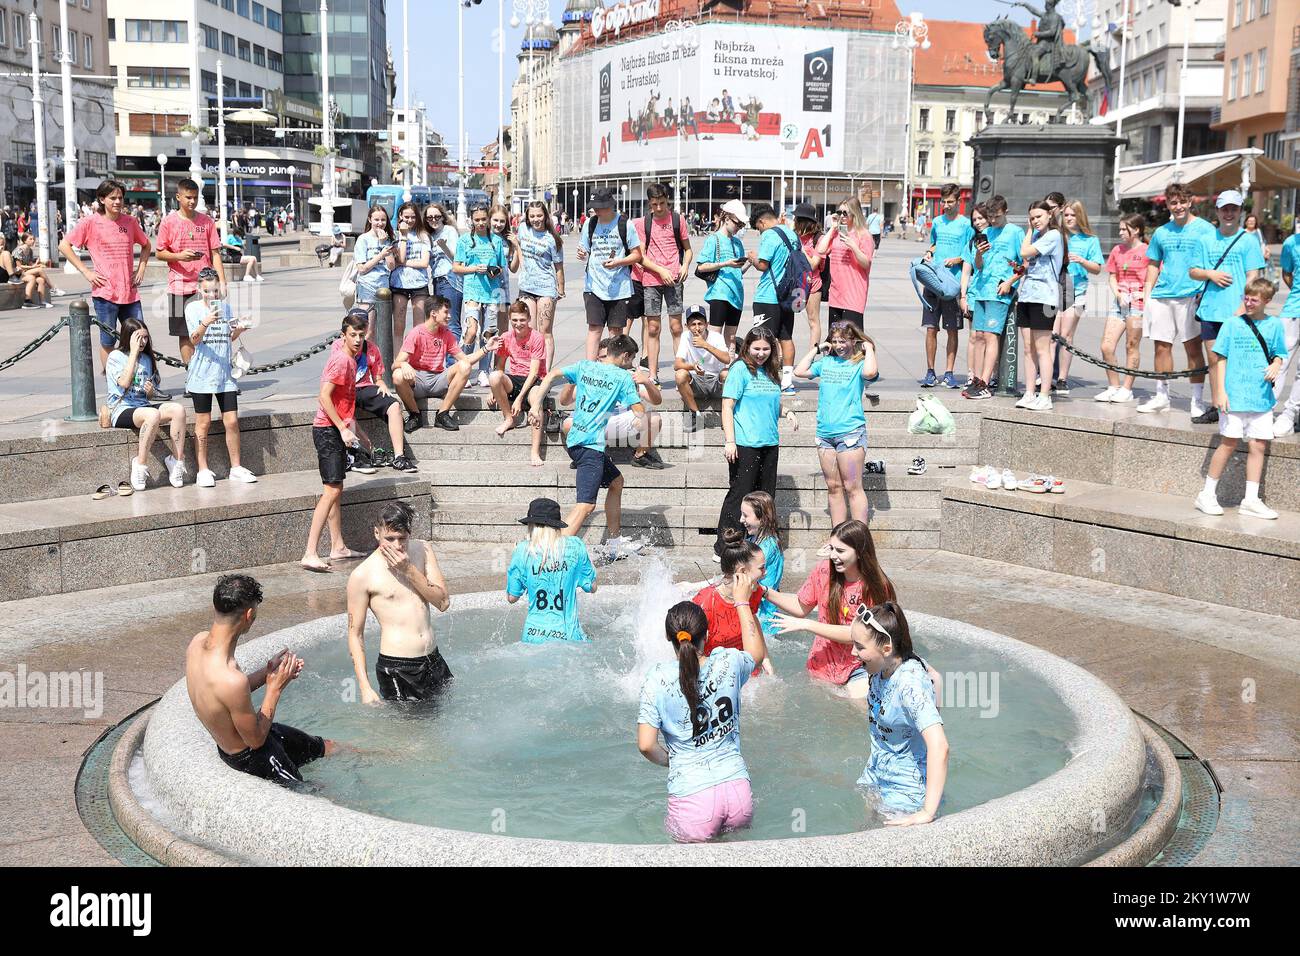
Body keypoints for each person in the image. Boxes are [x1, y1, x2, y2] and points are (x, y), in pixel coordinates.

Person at [637, 581, 766, 843]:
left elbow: (646, 745)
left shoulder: (657, 680)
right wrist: (743, 602)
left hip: (693, 799)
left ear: (668, 638)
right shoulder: (728, 662)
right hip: (738, 793)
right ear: (706, 635)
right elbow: (756, 653)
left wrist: (672, 761)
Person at [187, 574, 339, 784]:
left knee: (324, 746)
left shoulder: (197, 643)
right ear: (249, 615)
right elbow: (256, 740)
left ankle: (378, 754)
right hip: (252, 757)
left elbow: (222, 696)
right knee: (313, 795)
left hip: (249, 737)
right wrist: (275, 689)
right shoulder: (231, 679)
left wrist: (266, 674)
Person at [529, 334, 646, 556]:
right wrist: (640, 419)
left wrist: (535, 405)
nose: (630, 365)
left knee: (616, 482)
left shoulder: (585, 366)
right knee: (586, 505)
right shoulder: (622, 377)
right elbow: (639, 410)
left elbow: (552, 374)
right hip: (591, 446)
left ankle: (614, 544)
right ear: (625, 356)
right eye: (630, 360)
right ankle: (552, 553)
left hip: (575, 441)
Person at [765, 519, 899, 698]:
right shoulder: (823, 571)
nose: (834, 556)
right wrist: (764, 592)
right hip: (821, 666)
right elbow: (800, 605)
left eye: (841, 550)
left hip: (860, 666)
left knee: (859, 710)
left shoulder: (875, 586)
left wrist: (807, 625)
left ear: (860, 552)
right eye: (832, 549)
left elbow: (859, 634)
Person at [1194, 277, 1287, 521]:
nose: (1248, 303)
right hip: (1235, 395)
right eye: (1246, 298)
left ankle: (1251, 499)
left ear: (1266, 301)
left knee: (1258, 445)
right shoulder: (1232, 324)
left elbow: (1279, 353)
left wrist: (1276, 364)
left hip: (1260, 396)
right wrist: (1220, 392)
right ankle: (1207, 493)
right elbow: (1220, 358)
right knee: (1229, 442)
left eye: (1254, 300)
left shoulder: (1275, 325)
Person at [850, 601, 949, 824]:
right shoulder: (884, 665)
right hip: (877, 773)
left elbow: (940, 746)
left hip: (907, 791)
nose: (852, 652)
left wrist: (926, 813)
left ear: (886, 649)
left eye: (859, 647)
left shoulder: (909, 684)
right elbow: (936, 677)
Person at [345, 501, 452, 703]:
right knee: (412, 733)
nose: (397, 546)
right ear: (377, 533)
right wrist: (365, 687)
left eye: (402, 538)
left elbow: (443, 603)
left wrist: (409, 569)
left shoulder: (422, 550)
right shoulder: (362, 575)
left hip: (434, 658)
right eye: (390, 539)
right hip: (398, 668)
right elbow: (355, 634)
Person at [716, 326, 798, 555]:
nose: (761, 353)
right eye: (756, 349)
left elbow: (769, 402)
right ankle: (725, 545)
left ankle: (761, 543)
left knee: (765, 496)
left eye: (765, 349)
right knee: (740, 494)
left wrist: (787, 411)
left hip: (769, 442)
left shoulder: (771, 371)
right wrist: (729, 441)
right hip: (745, 443)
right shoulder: (740, 370)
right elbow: (727, 405)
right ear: (747, 348)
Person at [1138, 182, 1216, 414]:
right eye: (1174, 202)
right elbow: (1153, 263)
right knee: (1161, 348)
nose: (1179, 206)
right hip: (1162, 295)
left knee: (1193, 348)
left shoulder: (1205, 229)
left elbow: (1213, 259)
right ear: (1168, 205)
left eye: (1183, 201)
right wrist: (1147, 293)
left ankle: (1197, 400)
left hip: (1192, 294)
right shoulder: (1161, 232)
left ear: (1190, 201)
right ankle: (1162, 395)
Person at [1188, 189, 1265, 424]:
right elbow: (1193, 271)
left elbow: (1254, 275)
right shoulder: (1205, 239)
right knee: (1214, 360)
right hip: (1211, 309)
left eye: (1234, 208)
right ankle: (1217, 405)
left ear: (1240, 211)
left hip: (1239, 310)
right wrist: (1210, 274)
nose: (1229, 213)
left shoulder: (1249, 240)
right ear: (1218, 211)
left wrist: (1245, 305)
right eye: (1225, 209)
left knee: (1239, 360)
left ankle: (1240, 405)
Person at [301, 312, 369, 572]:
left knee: (336, 489)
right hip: (328, 430)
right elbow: (324, 397)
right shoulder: (342, 360)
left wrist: (358, 432)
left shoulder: (350, 359)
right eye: (353, 335)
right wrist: (341, 427)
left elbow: (344, 402)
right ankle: (310, 552)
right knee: (331, 490)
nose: (357, 340)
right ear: (343, 335)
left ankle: (338, 546)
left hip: (335, 429)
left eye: (361, 335)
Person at [59, 179, 152, 370]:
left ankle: (143, 381)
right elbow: (64, 246)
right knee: (108, 340)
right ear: (102, 199)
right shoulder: (90, 222)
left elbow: (146, 245)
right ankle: (114, 384)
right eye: (113, 198)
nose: (118, 202)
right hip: (105, 294)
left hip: (130, 293)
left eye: (120, 198)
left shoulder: (130, 222)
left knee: (140, 336)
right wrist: (86, 271)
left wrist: (141, 268)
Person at [794, 323, 879, 526]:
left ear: (853, 341)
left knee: (852, 486)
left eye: (843, 341)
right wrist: (817, 349)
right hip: (825, 435)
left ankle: (859, 539)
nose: (838, 345)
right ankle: (838, 536)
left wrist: (868, 349)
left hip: (850, 433)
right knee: (833, 486)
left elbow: (870, 373)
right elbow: (799, 371)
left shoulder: (858, 363)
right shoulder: (826, 363)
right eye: (835, 341)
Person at [185, 268, 256, 488]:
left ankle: (236, 467)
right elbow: (194, 340)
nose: (212, 295)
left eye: (215, 291)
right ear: (199, 289)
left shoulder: (225, 307)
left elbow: (228, 336)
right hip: (201, 374)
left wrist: (240, 329)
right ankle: (203, 469)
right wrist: (206, 321)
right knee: (203, 422)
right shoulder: (192, 309)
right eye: (207, 291)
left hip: (224, 374)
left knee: (232, 421)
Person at [106, 318, 188, 491]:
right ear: (128, 337)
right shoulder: (115, 357)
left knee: (178, 410)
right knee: (152, 415)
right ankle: (140, 464)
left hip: (142, 405)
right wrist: (134, 354)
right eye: (138, 338)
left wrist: (150, 391)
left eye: (145, 338)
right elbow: (124, 383)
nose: (143, 342)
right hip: (122, 409)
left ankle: (177, 461)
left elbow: (148, 394)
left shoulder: (147, 359)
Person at [393, 295, 495, 433]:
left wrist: (486, 348)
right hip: (417, 381)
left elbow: (464, 360)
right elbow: (396, 364)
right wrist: (404, 365)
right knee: (398, 375)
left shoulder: (446, 334)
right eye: (446, 312)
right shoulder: (416, 333)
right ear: (433, 313)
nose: (449, 316)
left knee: (465, 367)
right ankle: (415, 415)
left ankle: (442, 414)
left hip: (438, 379)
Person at [334, 307, 417, 472]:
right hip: (345, 389)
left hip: (364, 387)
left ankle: (399, 457)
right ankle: (356, 454)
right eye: (354, 330)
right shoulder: (338, 346)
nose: (358, 336)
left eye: (362, 329)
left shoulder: (372, 348)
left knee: (393, 405)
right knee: (345, 408)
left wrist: (382, 385)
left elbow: (377, 377)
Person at [505, 497, 598, 643]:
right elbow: (592, 587)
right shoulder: (576, 546)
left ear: (531, 525)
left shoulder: (522, 550)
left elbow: (512, 597)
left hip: (533, 636)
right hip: (569, 636)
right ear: (557, 525)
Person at [157, 179, 225, 366]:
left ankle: (213, 372)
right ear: (178, 197)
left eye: (195, 198)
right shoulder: (168, 222)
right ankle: (192, 375)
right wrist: (179, 256)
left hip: (206, 287)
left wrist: (222, 283)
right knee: (185, 334)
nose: (192, 202)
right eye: (188, 197)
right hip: (179, 286)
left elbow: (215, 253)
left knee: (212, 330)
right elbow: (159, 253)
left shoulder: (206, 221)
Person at [959, 200, 1022, 399]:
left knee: (990, 336)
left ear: (1006, 211)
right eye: (990, 217)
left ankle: (985, 382)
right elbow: (978, 266)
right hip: (981, 290)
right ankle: (976, 379)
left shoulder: (1015, 232)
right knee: (978, 336)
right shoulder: (988, 233)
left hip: (999, 291)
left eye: (996, 216)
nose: (993, 220)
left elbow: (1025, 263)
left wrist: (1010, 282)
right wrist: (979, 252)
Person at [632, 184, 693, 383]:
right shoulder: (644, 223)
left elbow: (688, 249)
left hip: (675, 279)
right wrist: (660, 270)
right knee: (652, 328)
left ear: (668, 200)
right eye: (654, 204)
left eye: (662, 203)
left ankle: (680, 372)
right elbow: (640, 256)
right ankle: (652, 374)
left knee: (676, 327)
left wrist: (684, 266)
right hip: (652, 279)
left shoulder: (678, 220)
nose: (658, 208)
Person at [691, 527, 773, 675]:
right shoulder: (705, 604)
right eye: (761, 568)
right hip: (715, 677)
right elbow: (691, 654)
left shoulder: (753, 591)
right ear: (742, 572)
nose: (765, 572)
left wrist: (766, 658)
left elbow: (753, 620)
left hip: (748, 669)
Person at [577, 187, 643, 361]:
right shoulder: (590, 223)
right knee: (594, 328)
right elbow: (584, 249)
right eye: (595, 207)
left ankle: (612, 368)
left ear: (610, 205)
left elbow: (637, 255)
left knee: (615, 332)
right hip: (594, 285)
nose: (596, 210)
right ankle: (590, 369)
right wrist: (582, 254)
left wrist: (618, 262)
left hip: (618, 287)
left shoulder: (624, 224)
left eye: (600, 206)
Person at [1013, 200, 1066, 412]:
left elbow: (1024, 252)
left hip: (1045, 298)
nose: (1035, 221)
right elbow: (1024, 258)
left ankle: (1044, 395)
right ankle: (1029, 392)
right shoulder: (1036, 236)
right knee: (1028, 348)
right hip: (1027, 295)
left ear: (1049, 216)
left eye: (1039, 217)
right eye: (1032, 218)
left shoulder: (1053, 235)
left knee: (1043, 349)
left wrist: (1027, 232)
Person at [920, 184, 972, 389]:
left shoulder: (966, 224)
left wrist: (958, 259)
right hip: (934, 281)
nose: (946, 205)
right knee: (931, 328)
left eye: (950, 202)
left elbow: (969, 251)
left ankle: (949, 372)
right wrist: (929, 253)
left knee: (952, 330)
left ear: (959, 202)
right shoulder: (937, 222)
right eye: (943, 201)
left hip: (953, 283)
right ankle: (930, 371)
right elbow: (933, 244)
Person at [453, 205, 510, 385]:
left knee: (489, 333)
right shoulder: (464, 240)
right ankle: (464, 367)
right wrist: (474, 269)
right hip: (472, 290)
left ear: (488, 219)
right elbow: (456, 267)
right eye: (477, 220)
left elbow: (502, 267)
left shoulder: (496, 241)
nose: (480, 223)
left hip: (493, 292)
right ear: (472, 220)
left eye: (483, 219)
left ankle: (483, 371)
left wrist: (495, 271)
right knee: (471, 330)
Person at [1095, 214, 1149, 403]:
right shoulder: (1117, 250)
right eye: (1119, 229)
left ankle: (1127, 388)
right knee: (1106, 345)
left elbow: (1155, 276)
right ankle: (1113, 386)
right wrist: (1118, 294)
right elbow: (1111, 276)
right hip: (1120, 304)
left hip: (1138, 306)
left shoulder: (1147, 251)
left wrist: (1144, 294)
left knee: (1131, 345)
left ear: (1136, 230)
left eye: (1123, 229)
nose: (1120, 233)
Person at [747, 204, 800, 392]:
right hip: (789, 295)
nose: (760, 232)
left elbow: (762, 265)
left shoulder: (770, 235)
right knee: (786, 337)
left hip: (768, 296)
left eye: (758, 228)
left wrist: (752, 257)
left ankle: (764, 378)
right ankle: (787, 381)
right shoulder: (792, 235)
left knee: (762, 339)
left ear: (761, 222)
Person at [1055, 200, 1104, 395]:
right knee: (1052, 335)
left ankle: (1062, 378)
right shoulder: (1057, 236)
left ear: (1080, 217)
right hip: (1056, 287)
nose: (1068, 219)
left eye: (1072, 215)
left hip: (1077, 290)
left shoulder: (1090, 240)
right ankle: (1048, 374)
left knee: (1066, 335)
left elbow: (1097, 268)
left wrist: (1083, 261)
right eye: (1066, 215)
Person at [694, 199, 749, 352]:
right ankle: (712, 369)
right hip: (719, 293)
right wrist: (725, 264)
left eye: (742, 225)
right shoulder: (714, 239)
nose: (739, 227)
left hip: (737, 295)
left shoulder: (738, 243)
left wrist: (749, 263)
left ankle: (728, 368)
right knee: (714, 336)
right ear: (726, 218)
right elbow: (701, 266)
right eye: (737, 223)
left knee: (731, 337)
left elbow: (738, 272)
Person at [517, 201, 565, 373]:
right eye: (532, 216)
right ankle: (531, 369)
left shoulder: (552, 239)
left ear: (545, 216)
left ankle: (545, 372)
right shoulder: (523, 229)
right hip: (527, 287)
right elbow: (517, 248)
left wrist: (561, 289)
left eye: (539, 215)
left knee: (545, 332)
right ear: (528, 217)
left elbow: (559, 267)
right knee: (530, 331)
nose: (536, 219)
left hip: (546, 287)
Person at [490, 300, 546, 446]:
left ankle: (535, 450)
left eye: (522, 320)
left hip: (535, 380)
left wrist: (519, 398)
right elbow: (500, 367)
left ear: (529, 319)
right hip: (515, 378)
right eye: (514, 320)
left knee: (536, 404)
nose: (518, 324)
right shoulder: (506, 337)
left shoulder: (537, 337)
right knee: (494, 377)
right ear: (510, 319)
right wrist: (494, 390)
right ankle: (509, 418)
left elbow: (534, 373)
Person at [815, 196, 875, 331]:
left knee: (853, 342)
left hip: (854, 296)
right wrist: (832, 229)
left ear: (855, 213)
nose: (841, 216)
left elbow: (866, 263)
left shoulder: (864, 235)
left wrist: (853, 246)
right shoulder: (836, 233)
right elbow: (821, 249)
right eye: (839, 212)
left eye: (845, 213)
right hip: (836, 295)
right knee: (836, 342)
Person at [673, 306, 731, 430]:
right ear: (687, 326)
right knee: (680, 374)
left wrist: (706, 345)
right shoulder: (685, 336)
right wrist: (692, 366)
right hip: (697, 381)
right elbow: (677, 364)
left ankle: (727, 416)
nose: (697, 328)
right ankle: (695, 414)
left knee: (727, 374)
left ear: (707, 324)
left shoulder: (716, 337)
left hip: (715, 381)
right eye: (693, 324)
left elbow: (727, 359)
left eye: (700, 323)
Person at [738, 490, 784, 640]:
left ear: (763, 518)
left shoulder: (767, 548)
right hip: (757, 614)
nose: (741, 520)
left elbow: (747, 582)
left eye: (745, 515)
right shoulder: (753, 539)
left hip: (764, 621)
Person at [390, 201, 432, 344]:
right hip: (399, 283)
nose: (409, 220)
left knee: (419, 326)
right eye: (406, 217)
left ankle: (417, 361)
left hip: (419, 283)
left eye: (413, 217)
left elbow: (424, 263)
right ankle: (397, 361)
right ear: (400, 216)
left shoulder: (423, 235)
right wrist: (403, 235)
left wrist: (403, 263)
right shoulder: (394, 236)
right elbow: (396, 259)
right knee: (398, 325)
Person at [1274, 220, 1300, 436]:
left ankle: (1289, 414)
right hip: (1293, 308)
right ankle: (1266, 409)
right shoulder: (1291, 243)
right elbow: (1287, 273)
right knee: (1278, 361)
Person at [354, 205, 396, 332]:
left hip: (384, 288)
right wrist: (381, 255)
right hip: (367, 286)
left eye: (383, 220)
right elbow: (362, 268)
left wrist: (384, 244)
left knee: (383, 331)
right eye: (376, 220)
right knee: (368, 330)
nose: (380, 223)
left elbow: (391, 266)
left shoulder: (387, 240)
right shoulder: (363, 239)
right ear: (370, 219)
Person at [424, 203, 463, 337]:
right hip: (437, 280)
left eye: (437, 217)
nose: (434, 220)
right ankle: (444, 357)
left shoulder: (449, 231)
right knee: (440, 321)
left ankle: (454, 358)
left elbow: (457, 259)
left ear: (442, 217)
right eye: (430, 218)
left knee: (451, 322)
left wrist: (444, 247)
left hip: (450, 279)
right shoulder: (429, 235)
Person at [791, 203, 825, 349]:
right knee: (787, 317)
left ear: (804, 221)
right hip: (794, 282)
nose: (794, 222)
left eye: (796, 219)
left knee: (813, 320)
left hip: (812, 284)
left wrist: (801, 248)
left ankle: (811, 355)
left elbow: (813, 265)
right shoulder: (794, 236)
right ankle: (780, 355)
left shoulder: (819, 239)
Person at [12, 233, 51, 308]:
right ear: (24, 240)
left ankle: (42, 301)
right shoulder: (18, 250)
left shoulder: (30, 251)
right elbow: (19, 266)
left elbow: (30, 264)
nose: (33, 241)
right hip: (17, 274)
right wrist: (34, 266)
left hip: (26, 272)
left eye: (33, 239)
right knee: (39, 271)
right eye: (30, 239)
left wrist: (36, 264)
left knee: (41, 280)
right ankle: (52, 288)